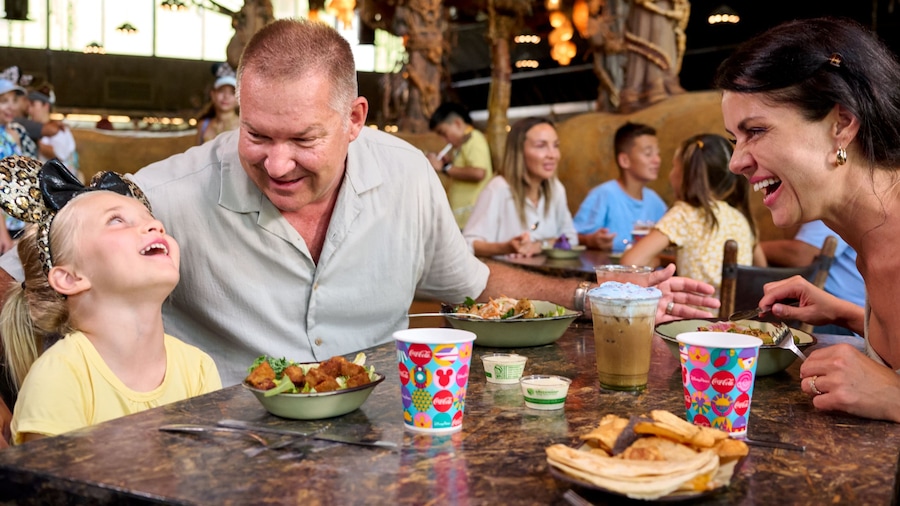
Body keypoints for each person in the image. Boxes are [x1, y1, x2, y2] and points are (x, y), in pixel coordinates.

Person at [0, 19, 720, 387]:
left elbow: (474, 285)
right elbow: (19, 271)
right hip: (217, 455)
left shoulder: (408, 176)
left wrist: (595, 294)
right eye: (256, 134)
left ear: (355, 119)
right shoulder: (170, 192)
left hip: (383, 444)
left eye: (302, 138)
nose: (275, 162)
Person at [715, 16, 900, 422]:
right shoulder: (872, 239)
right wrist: (844, 313)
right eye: (734, 139)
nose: (735, 163)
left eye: (756, 131)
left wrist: (893, 396)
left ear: (842, 124)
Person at [0, 156, 221, 445]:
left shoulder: (198, 368)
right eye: (116, 220)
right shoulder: (60, 378)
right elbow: (49, 489)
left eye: (152, 220)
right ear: (70, 278)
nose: (155, 227)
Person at [621, 133, 765, 302]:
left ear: (686, 174)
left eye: (674, 167)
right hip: (732, 323)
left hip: (692, 321)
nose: (670, 175)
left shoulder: (684, 214)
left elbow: (628, 264)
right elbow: (761, 271)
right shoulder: (741, 219)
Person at [463, 117, 577, 258]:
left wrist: (540, 246)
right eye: (541, 146)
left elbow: (571, 238)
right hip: (506, 276)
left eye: (556, 145)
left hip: (547, 276)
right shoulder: (498, 188)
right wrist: (505, 248)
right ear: (519, 151)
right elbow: (469, 243)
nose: (552, 155)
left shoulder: (556, 189)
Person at [573, 122, 668, 252]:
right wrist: (589, 241)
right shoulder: (603, 195)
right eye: (648, 154)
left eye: (658, 154)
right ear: (625, 160)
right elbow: (569, 237)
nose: (657, 160)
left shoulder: (656, 202)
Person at [761, 220, 865, 335]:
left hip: (849, 325)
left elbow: (802, 254)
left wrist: (753, 247)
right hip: (839, 308)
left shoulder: (834, 209)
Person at [426, 102, 493, 229]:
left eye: (443, 133)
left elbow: (479, 173)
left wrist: (445, 168)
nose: (444, 140)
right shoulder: (463, 144)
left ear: (457, 123)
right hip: (463, 218)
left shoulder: (474, 138)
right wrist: (448, 163)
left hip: (472, 218)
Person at [0, 77, 29, 253]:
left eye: (14, 100)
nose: (11, 106)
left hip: (17, 220)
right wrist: (2, 232)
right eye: (4, 101)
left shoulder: (13, 134)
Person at [27, 87, 79, 180]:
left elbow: (57, 155)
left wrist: (36, 142)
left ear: (46, 106)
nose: (30, 110)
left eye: (33, 105)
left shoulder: (60, 131)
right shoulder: (36, 130)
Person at [196, 63, 239, 145]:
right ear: (213, 94)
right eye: (221, 91)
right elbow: (196, 156)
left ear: (238, 98)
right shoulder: (203, 125)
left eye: (232, 93)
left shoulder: (243, 128)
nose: (226, 96)